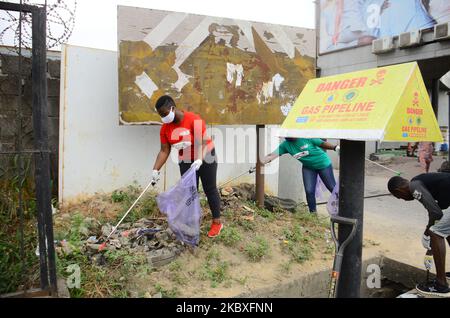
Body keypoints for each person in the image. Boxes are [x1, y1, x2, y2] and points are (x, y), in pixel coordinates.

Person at [151, 95, 223, 238]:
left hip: (206, 155)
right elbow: (164, 150)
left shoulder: (193, 119)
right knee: (189, 191)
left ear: (173, 108)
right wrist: (155, 169)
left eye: (165, 114)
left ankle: (217, 222)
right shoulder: (165, 129)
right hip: (185, 159)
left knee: (210, 188)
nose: (163, 118)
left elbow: (203, 142)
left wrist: (199, 160)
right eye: (160, 115)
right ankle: (192, 223)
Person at [388, 173, 450, 297]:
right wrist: (431, 249)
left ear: (399, 190)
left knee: (436, 233)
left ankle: (441, 285)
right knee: (445, 231)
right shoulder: (423, 181)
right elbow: (439, 214)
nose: (403, 200)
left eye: (399, 197)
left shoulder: (414, 186)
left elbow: (436, 213)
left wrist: (427, 232)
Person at [261, 138, 339, 214]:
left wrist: (335, 148)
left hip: (323, 164)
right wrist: (261, 162)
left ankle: (345, 208)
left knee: (332, 188)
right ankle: (313, 215)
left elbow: (321, 143)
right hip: (308, 167)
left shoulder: (306, 137)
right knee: (309, 191)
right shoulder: (285, 145)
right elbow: (272, 155)